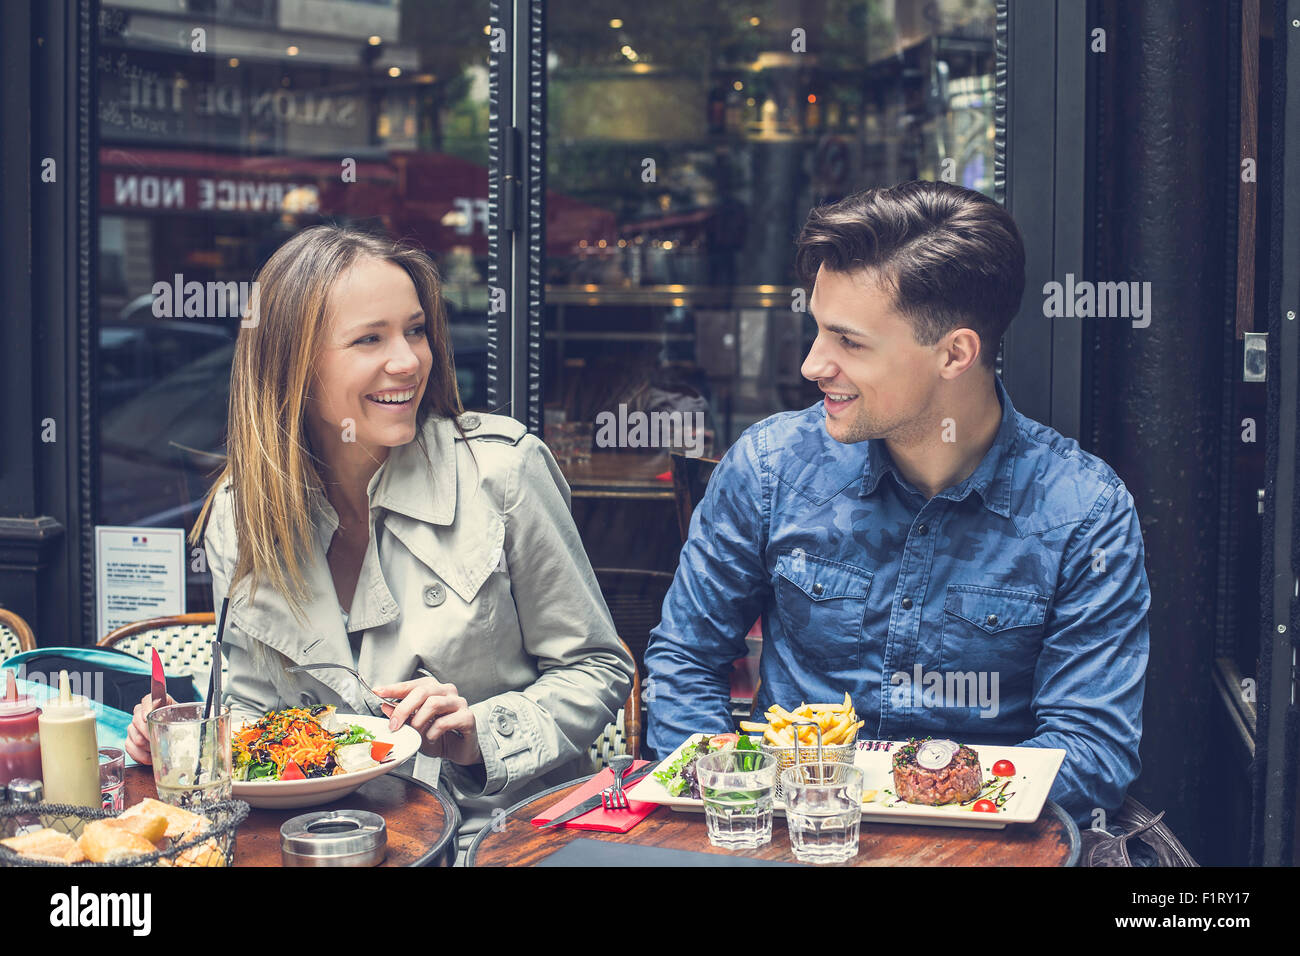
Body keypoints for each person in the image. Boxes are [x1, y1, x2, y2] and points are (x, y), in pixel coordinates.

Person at [644, 181, 1150, 827]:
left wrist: (920, 813)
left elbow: (1090, 750)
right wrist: (731, 801)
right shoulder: (771, 466)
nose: (812, 364)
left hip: (985, 849)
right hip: (792, 837)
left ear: (955, 354)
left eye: (849, 343)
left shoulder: (1083, 512)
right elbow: (685, 660)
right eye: (817, 331)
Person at [125, 225, 635, 857]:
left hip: (508, 837)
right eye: (370, 338)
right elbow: (254, 720)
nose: (409, 360)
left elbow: (598, 666)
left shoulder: (502, 471)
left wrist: (482, 731)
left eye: (415, 330)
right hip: (330, 843)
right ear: (293, 363)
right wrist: (187, 742)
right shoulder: (242, 513)